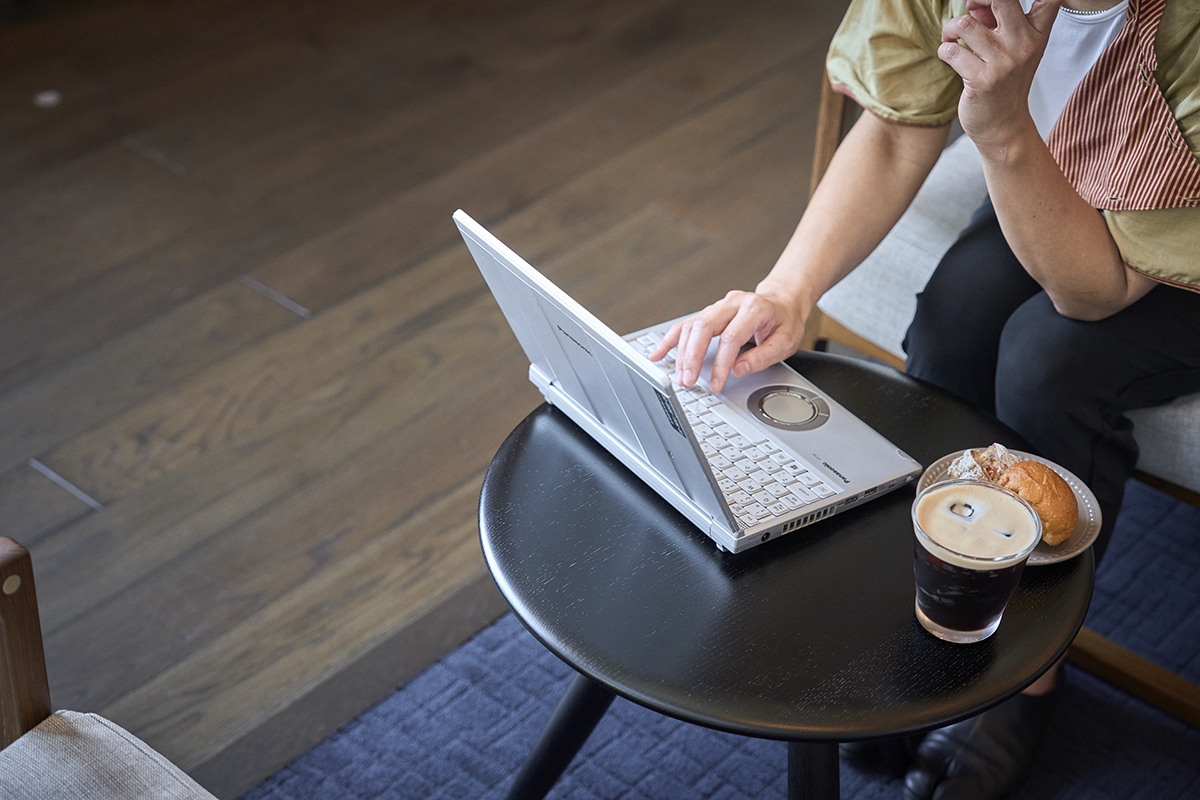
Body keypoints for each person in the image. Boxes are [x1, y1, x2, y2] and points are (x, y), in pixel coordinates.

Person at [650, 0, 1200, 798]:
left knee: (1049, 361)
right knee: (952, 321)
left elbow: (1094, 295)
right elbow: (893, 126)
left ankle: (1030, 678)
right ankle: (944, 605)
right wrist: (789, 290)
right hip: (1069, 164)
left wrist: (1004, 126)